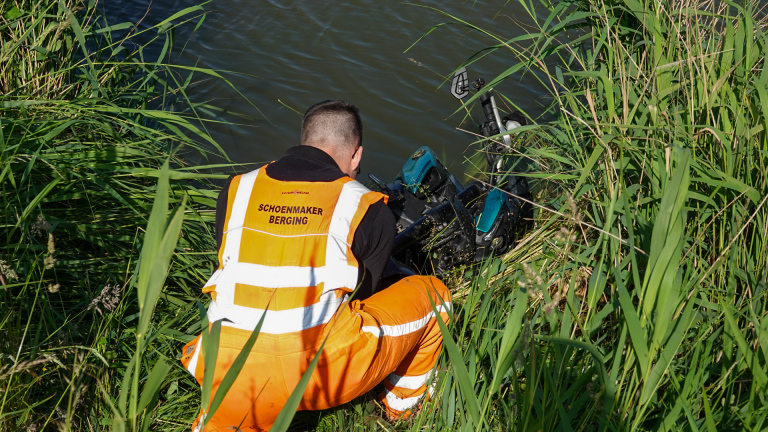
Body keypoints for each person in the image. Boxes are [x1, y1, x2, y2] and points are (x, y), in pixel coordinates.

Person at [180, 100, 452, 431]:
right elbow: (363, 295)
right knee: (435, 296)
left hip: (225, 364)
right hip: (318, 375)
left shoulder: (237, 188)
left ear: (305, 138)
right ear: (356, 156)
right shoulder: (366, 204)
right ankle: (400, 413)